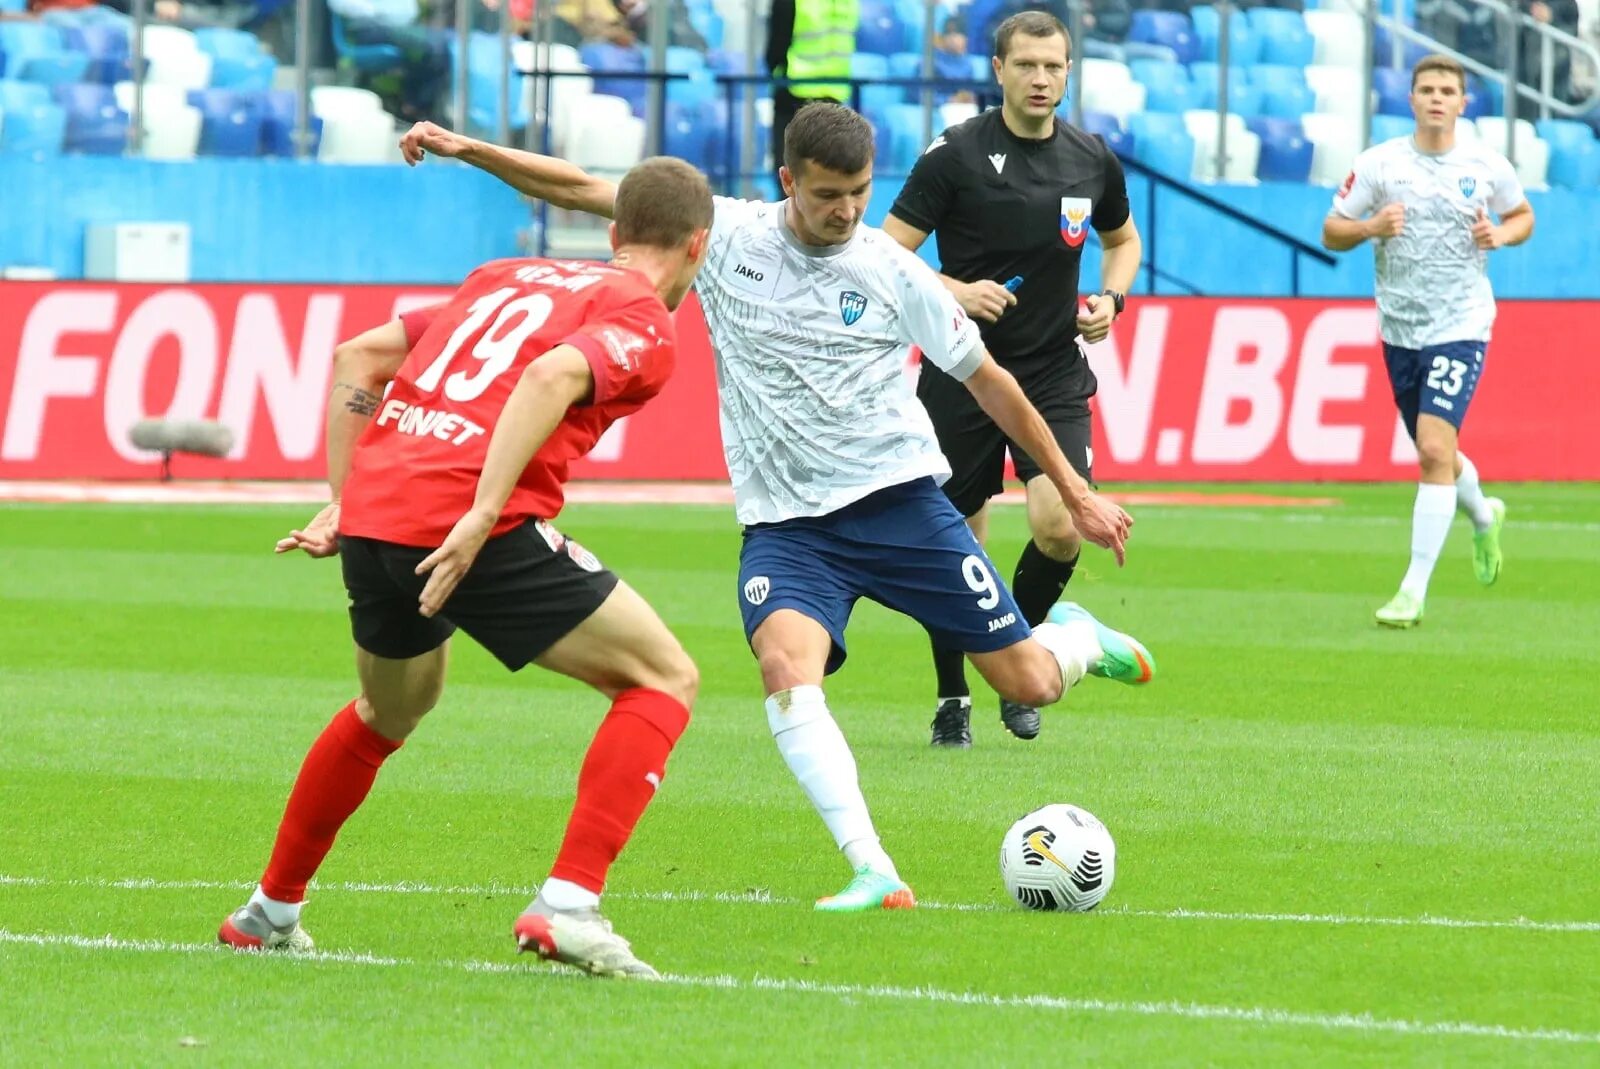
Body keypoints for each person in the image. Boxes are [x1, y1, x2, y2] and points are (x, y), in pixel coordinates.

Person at [401, 100, 1155, 914]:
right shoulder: (728, 233)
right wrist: (465, 147)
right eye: (829, 193)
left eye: (861, 192)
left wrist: (1074, 492)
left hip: (901, 504)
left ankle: (1075, 636)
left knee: (1030, 680)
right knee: (785, 669)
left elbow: (990, 383)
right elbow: (586, 187)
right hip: (788, 528)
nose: (848, 210)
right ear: (789, 181)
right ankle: (874, 869)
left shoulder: (894, 270)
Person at [215, 156, 715, 980]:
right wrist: (484, 510)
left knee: (388, 708)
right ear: (697, 246)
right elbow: (553, 373)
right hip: (469, 524)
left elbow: (356, 357)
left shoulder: (503, 275)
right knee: (663, 677)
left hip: (380, 520)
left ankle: (269, 910)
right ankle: (569, 904)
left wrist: (346, 501)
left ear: (615, 231)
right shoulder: (643, 317)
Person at [882, 10, 1143, 748]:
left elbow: (1122, 240)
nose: (1039, 78)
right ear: (998, 70)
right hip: (961, 369)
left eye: (1053, 66)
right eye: (1025, 65)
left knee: (1060, 526)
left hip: (1054, 369)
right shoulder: (955, 155)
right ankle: (951, 695)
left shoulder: (1092, 158)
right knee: (954, 541)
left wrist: (1111, 299)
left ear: (1068, 72)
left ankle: (1019, 657)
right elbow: (882, 254)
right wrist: (953, 292)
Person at [1322, 54, 1534, 628]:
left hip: (1462, 325)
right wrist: (1370, 227)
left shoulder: (1486, 164)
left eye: (1447, 91)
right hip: (1400, 329)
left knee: (1435, 452)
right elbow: (1332, 228)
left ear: (1464, 103)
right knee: (1436, 453)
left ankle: (1411, 592)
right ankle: (1485, 516)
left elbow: (1522, 215)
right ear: (1411, 99)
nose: (1437, 98)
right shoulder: (1380, 164)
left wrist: (1502, 234)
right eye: (1426, 90)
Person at [767, 0, 860, 187]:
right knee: (828, 176)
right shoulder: (848, 3)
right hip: (834, 94)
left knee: (790, 177)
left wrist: (776, 69)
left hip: (794, 90)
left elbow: (775, 48)